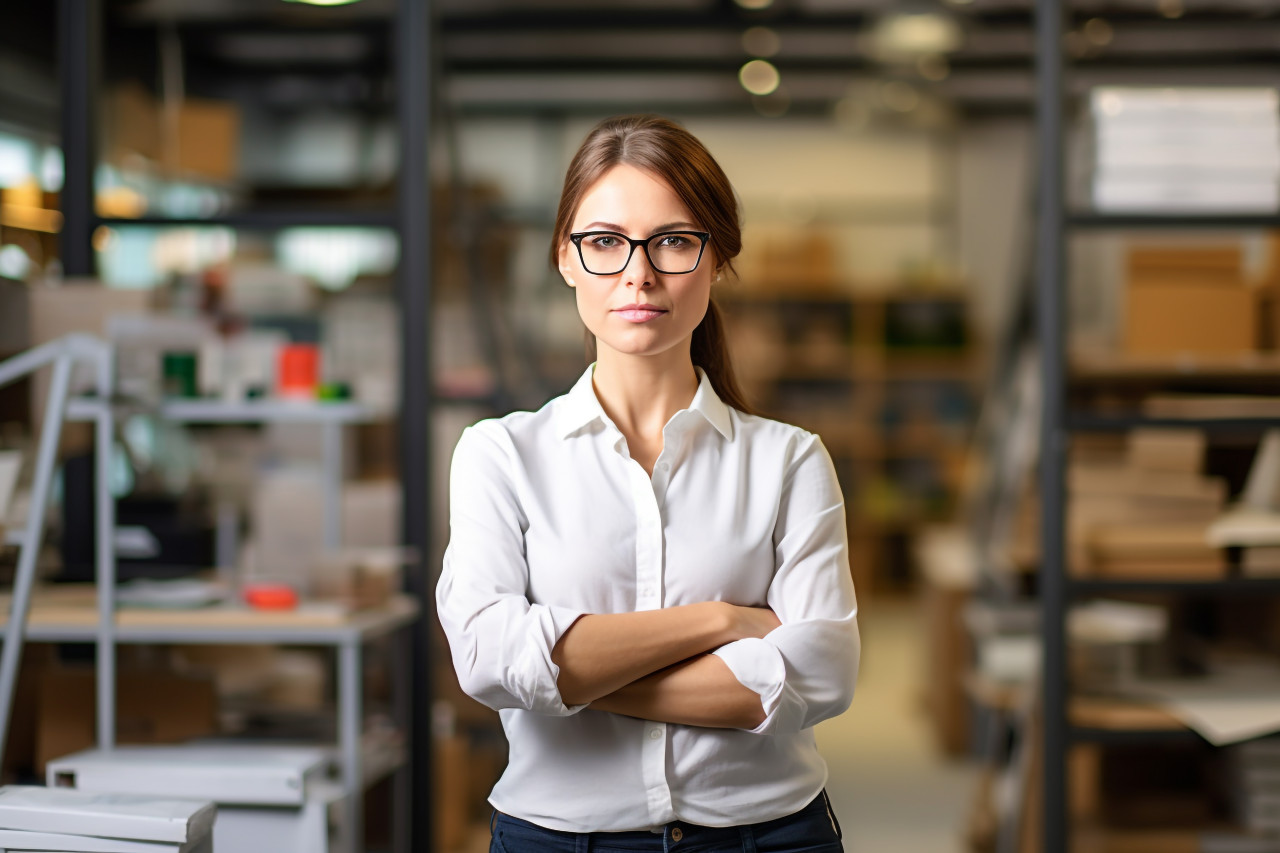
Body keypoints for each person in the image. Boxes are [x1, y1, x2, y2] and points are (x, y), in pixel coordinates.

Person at [435, 114, 860, 853]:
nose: (638, 273)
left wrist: (561, 679)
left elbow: (820, 673)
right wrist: (723, 623)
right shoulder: (500, 454)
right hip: (559, 839)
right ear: (565, 260)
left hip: (769, 837)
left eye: (673, 241)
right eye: (604, 242)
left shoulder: (789, 462)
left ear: (717, 259)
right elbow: (486, 658)